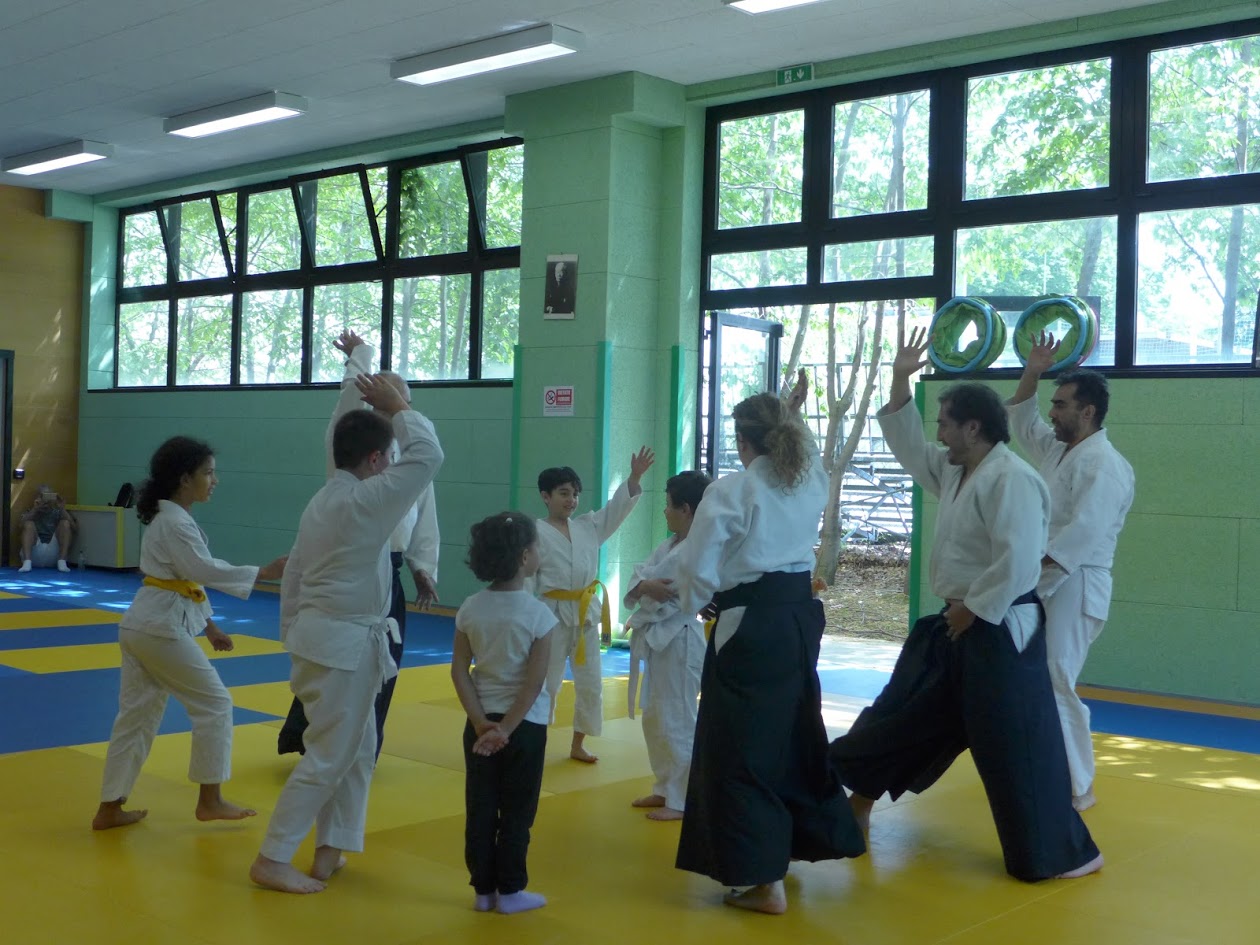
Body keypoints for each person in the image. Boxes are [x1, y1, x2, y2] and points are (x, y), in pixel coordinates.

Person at [828, 327, 1102, 883]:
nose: (940, 435)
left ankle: (1064, 852)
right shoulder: (958, 469)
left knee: (1012, 747)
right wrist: (901, 379)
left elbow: (1021, 559)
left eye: (946, 424)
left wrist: (973, 609)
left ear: (973, 427)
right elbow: (908, 448)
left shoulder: (1013, 478)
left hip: (999, 627)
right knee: (899, 714)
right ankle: (855, 802)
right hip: (957, 624)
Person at [672, 372, 865, 916]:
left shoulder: (734, 489)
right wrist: (793, 413)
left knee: (740, 746)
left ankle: (762, 880)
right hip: (799, 619)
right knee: (788, 732)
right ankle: (786, 848)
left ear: (742, 439)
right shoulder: (810, 482)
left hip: (750, 624)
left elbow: (697, 566)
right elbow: (799, 451)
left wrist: (695, 602)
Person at [249, 374, 443, 894]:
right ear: (378, 461)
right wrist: (398, 405)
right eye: (389, 454)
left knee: (359, 746)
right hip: (342, 647)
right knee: (332, 754)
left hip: (322, 640)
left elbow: (293, 573)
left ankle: (331, 848)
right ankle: (272, 856)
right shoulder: (368, 500)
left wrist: (291, 629)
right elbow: (429, 457)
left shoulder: (323, 499)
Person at [91, 437, 286, 830]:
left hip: (142, 625)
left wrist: (209, 624)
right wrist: (261, 572)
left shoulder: (171, 519)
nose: (215, 480)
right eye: (208, 473)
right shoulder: (176, 522)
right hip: (159, 629)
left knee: (136, 719)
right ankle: (210, 800)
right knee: (215, 705)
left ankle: (110, 807)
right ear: (184, 479)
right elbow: (200, 569)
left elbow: (180, 580)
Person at [277, 330, 441, 761]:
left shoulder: (405, 456)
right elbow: (351, 398)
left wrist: (424, 566)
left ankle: (364, 743)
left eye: (399, 400)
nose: (392, 406)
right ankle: (312, 739)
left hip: (390, 567)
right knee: (333, 659)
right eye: (385, 398)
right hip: (345, 565)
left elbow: (426, 513)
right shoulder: (347, 446)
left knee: (380, 663)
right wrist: (360, 357)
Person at [1007, 333, 1135, 812]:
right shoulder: (1060, 450)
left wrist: (1021, 579)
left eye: (1060, 404)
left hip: (1076, 580)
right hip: (1045, 577)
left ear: (1088, 411)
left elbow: (1080, 535)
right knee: (1042, 677)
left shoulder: (1105, 464)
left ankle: (1078, 786)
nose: (1052, 411)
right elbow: (1021, 419)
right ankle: (1054, 771)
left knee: (1058, 675)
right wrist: (1033, 371)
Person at [451, 512, 555, 915]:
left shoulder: (470, 608)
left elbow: (460, 670)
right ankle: (510, 891)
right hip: (523, 728)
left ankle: (482, 890)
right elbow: (535, 683)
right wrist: (506, 730)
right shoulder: (538, 615)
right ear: (526, 556)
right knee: (517, 810)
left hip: (480, 724)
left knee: (480, 805)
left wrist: (482, 724)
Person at [534, 446, 654, 763]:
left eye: (575, 493)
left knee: (590, 685)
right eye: (563, 493)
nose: (571, 500)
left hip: (586, 615)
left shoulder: (588, 526)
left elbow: (617, 509)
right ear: (545, 496)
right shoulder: (533, 532)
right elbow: (526, 579)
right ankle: (533, 741)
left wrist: (635, 476)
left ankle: (578, 743)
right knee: (546, 683)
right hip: (550, 616)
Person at [623, 470, 712, 822]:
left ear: (686, 509)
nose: (664, 511)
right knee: (656, 717)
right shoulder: (670, 544)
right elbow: (641, 575)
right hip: (660, 639)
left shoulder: (698, 549)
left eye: (668, 505)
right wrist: (644, 586)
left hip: (681, 638)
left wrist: (645, 587)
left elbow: (671, 593)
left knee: (678, 718)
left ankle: (682, 798)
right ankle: (664, 787)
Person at [19, 485, 76, 573]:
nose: (46, 500)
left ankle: (62, 561)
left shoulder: (57, 511)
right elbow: (20, 526)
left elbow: (74, 528)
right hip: (35, 552)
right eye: (42, 496)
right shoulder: (30, 512)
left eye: (48, 495)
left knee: (65, 523)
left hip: (54, 553)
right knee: (28, 523)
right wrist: (35, 510)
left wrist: (62, 509)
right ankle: (27, 563)